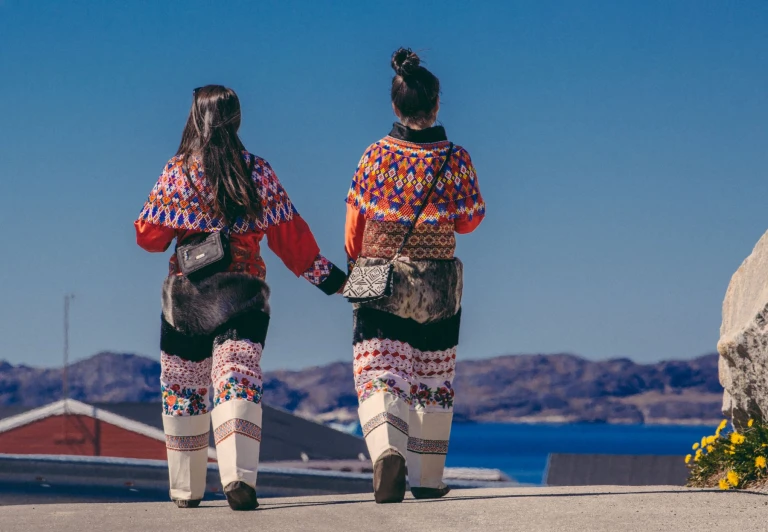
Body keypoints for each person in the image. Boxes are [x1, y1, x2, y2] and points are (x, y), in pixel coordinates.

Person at [134, 85, 346, 510]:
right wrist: (335, 281)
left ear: (196, 119)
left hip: (187, 299)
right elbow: (292, 240)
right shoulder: (257, 171)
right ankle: (238, 478)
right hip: (244, 294)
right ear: (236, 120)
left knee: (184, 388)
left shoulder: (177, 171)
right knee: (237, 378)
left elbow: (149, 238)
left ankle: (186, 489)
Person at [344, 48, 486, 503]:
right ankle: (427, 478)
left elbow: (354, 230)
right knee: (433, 379)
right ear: (437, 104)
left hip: (382, 280)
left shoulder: (374, 156)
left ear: (394, 105)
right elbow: (470, 221)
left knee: (380, 372)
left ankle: (387, 450)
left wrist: (362, 257)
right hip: (439, 287)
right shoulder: (456, 158)